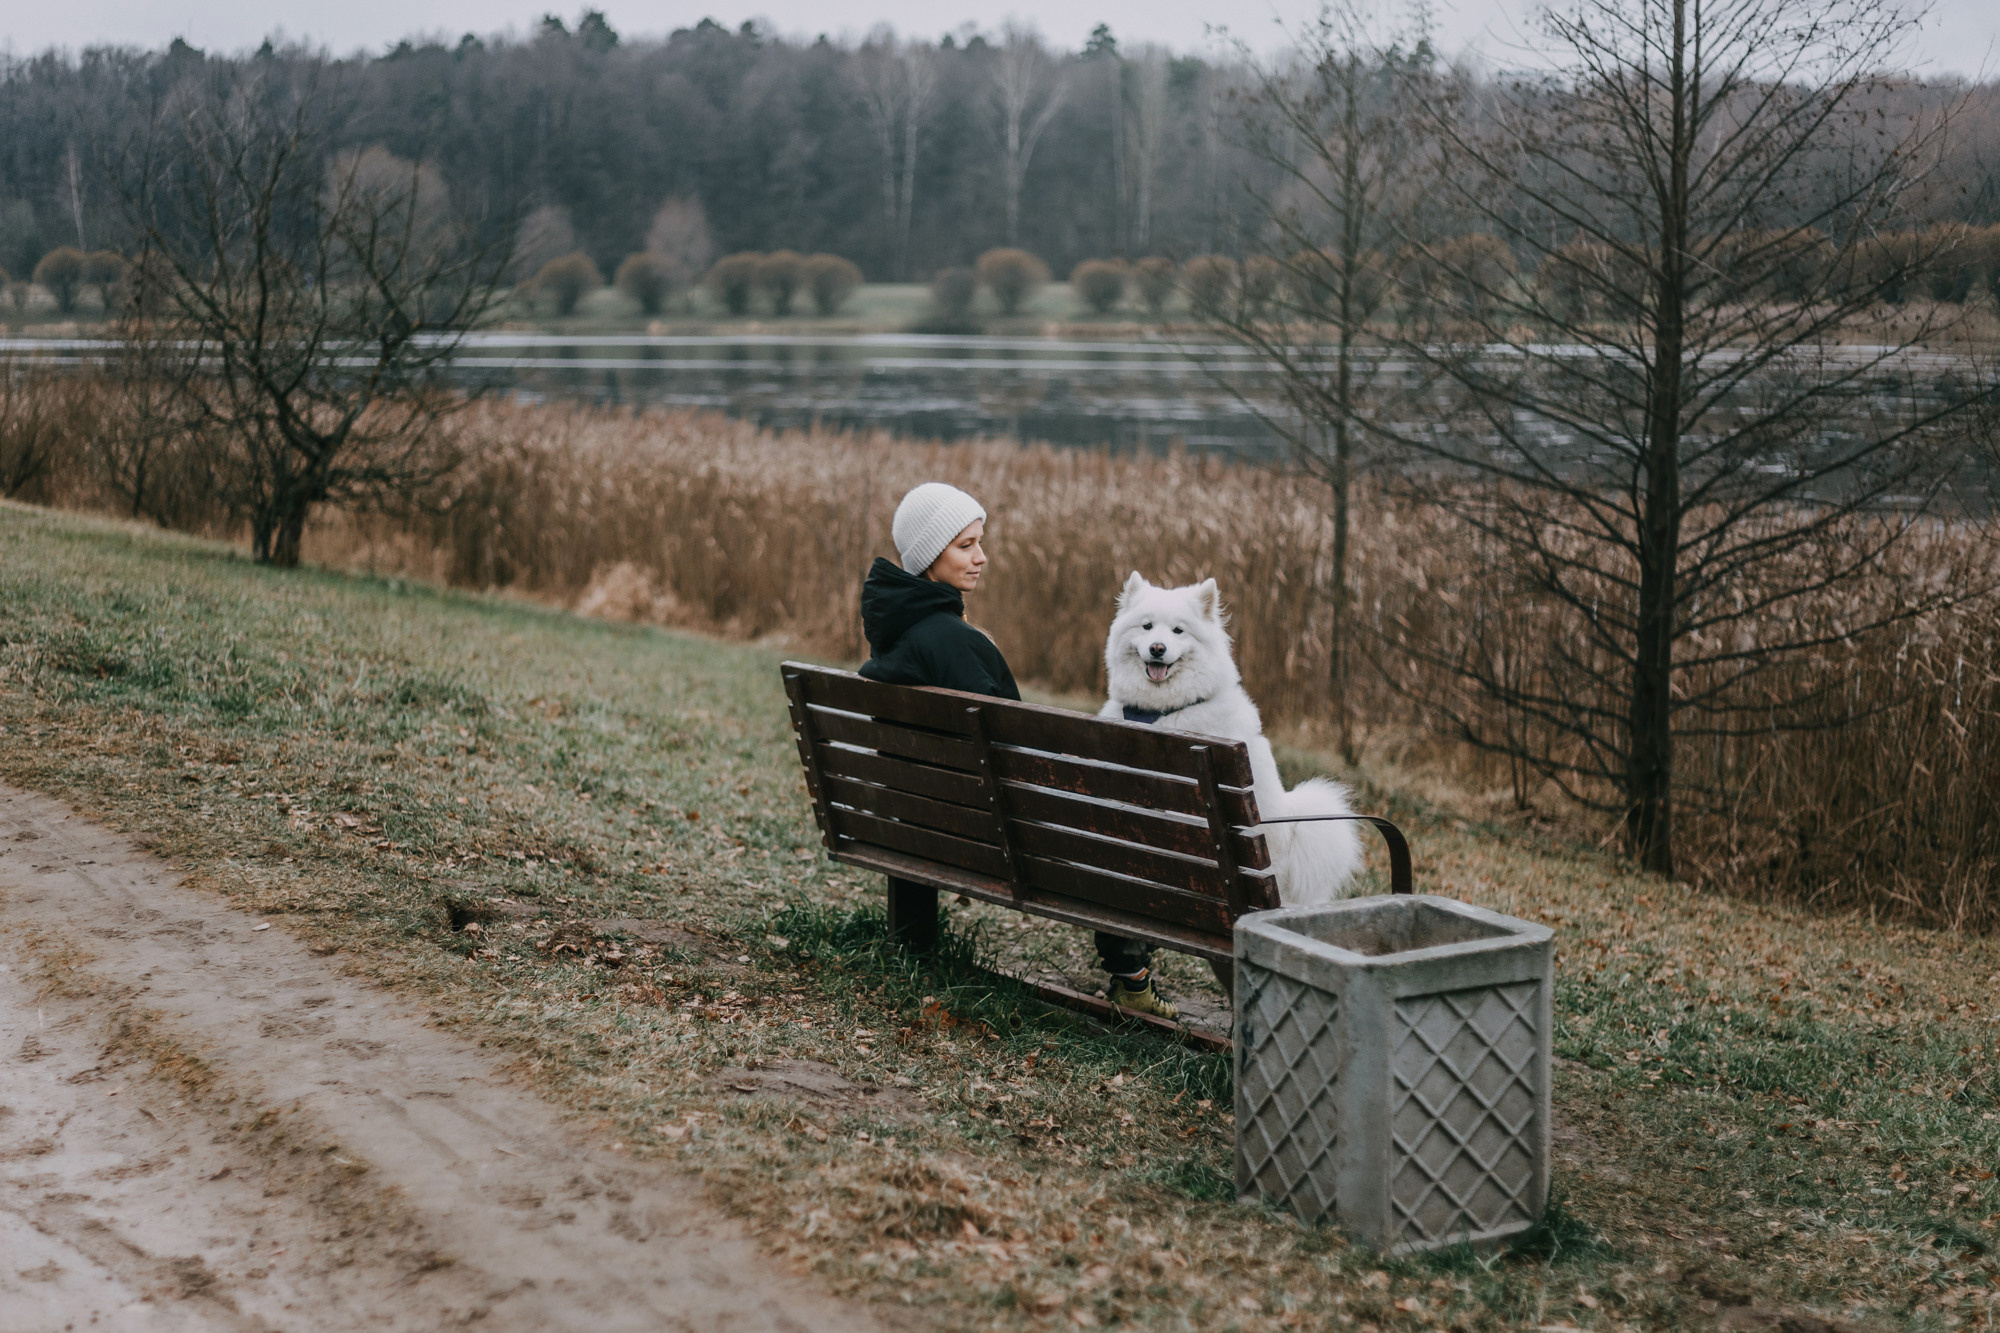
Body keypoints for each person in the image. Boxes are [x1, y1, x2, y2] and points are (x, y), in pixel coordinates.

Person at [858, 482, 1177, 1019]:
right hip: (995, 829)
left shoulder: (897, 631)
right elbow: (1009, 747)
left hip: (922, 819)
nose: (981, 557)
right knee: (1115, 817)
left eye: (980, 542)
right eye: (965, 545)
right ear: (929, 555)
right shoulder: (951, 641)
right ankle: (1132, 978)